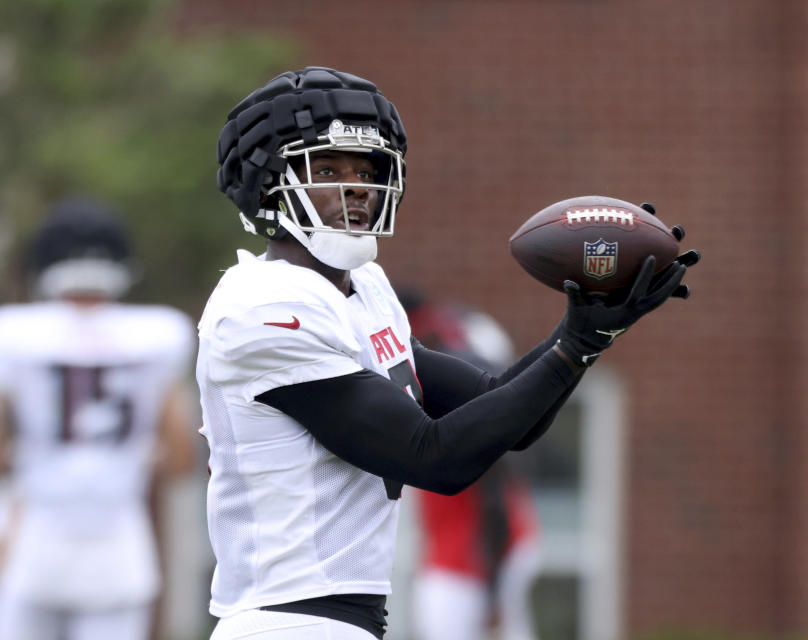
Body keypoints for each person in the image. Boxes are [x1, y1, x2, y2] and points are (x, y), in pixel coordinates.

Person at [199, 66, 700, 640]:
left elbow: (504, 416)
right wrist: (574, 346)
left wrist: (589, 333)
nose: (358, 185)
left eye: (366, 169)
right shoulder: (261, 307)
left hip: (339, 622)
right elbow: (435, 457)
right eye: (328, 168)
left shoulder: (364, 289)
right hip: (287, 622)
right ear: (266, 184)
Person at [0, 197, 197, 640]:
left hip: (37, 531)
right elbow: (181, 457)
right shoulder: (159, 333)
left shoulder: (14, 333)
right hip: (118, 537)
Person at [400, 292, 542, 640]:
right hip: (473, 550)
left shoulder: (454, 399)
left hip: (469, 560)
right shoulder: (453, 332)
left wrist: (491, 593)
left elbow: (493, 497)